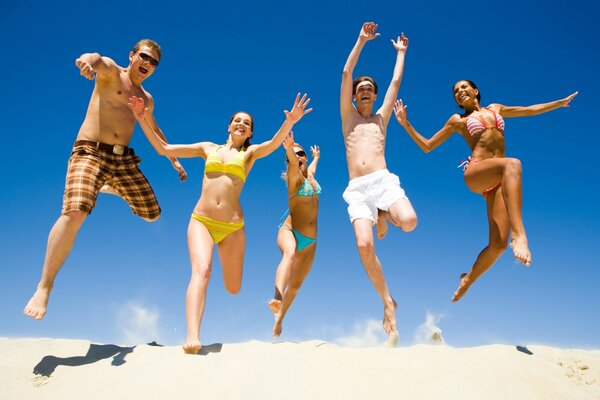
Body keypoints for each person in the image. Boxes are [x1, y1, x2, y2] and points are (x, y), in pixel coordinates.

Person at [127, 93, 312, 354]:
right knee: (202, 271)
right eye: (237, 120)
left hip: (233, 227)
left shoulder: (250, 153)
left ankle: (234, 287)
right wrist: (142, 118)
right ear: (229, 126)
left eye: (246, 123)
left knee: (233, 286)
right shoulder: (208, 148)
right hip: (201, 220)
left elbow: (272, 143)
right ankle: (192, 335)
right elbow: (163, 149)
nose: (241, 124)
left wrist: (290, 121)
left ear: (249, 132)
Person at [23, 39, 187, 321]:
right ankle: (44, 286)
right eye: (144, 57)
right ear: (132, 55)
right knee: (76, 212)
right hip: (90, 153)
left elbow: (155, 128)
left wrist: (172, 158)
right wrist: (86, 61)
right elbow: (96, 58)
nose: (147, 64)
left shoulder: (146, 99)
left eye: (154, 62)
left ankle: (110, 186)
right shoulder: (112, 72)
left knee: (152, 214)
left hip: (122, 161)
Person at [393, 80, 578, 302]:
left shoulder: (496, 108)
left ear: (476, 91)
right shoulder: (458, 120)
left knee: (498, 245)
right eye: (455, 92)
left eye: (463, 87)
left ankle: (467, 280)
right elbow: (427, 145)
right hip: (477, 172)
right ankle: (520, 236)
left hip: (498, 181)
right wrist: (406, 124)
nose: (460, 92)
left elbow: (528, 110)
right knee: (513, 164)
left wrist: (559, 103)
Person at [340, 22, 417, 345]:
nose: (366, 90)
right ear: (356, 96)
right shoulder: (349, 116)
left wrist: (400, 53)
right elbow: (347, 73)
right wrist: (360, 40)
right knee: (364, 245)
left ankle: (383, 213)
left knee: (410, 222)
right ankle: (388, 301)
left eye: (370, 87)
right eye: (362, 89)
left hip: (383, 181)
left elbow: (396, 82)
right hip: (358, 189)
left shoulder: (382, 118)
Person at [270, 133, 321, 336]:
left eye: (302, 154)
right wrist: (289, 149)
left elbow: (312, 169)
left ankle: (279, 319)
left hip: (310, 241)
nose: (298, 156)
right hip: (289, 230)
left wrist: (316, 157)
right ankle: (277, 296)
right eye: (295, 155)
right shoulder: (294, 177)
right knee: (289, 252)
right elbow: (293, 161)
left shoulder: (310, 177)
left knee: (297, 286)